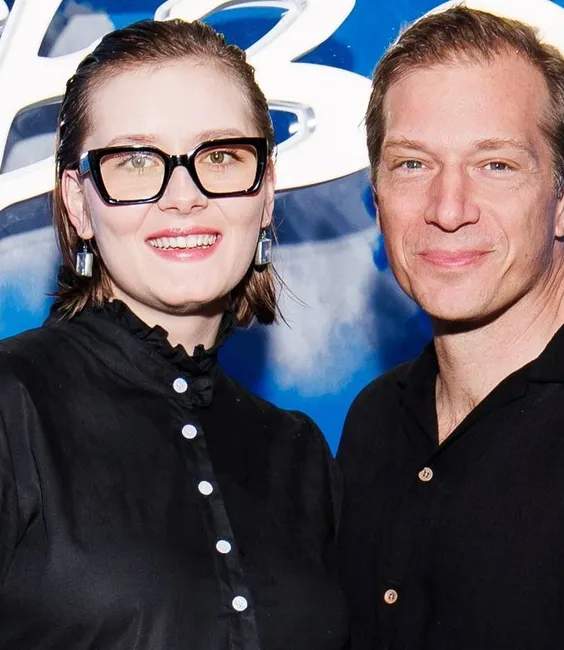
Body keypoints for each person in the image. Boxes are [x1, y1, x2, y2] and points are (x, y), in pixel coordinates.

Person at [0, 19, 348, 650]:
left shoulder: (298, 454)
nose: (184, 197)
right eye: (136, 162)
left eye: (220, 156)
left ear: (266, 192)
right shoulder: (11, 405)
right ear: (78, 203)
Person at [337, 6, 564, 649]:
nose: (448, 209)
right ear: (377, 193)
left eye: (496, 165)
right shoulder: (376, 422)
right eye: (413, 164)